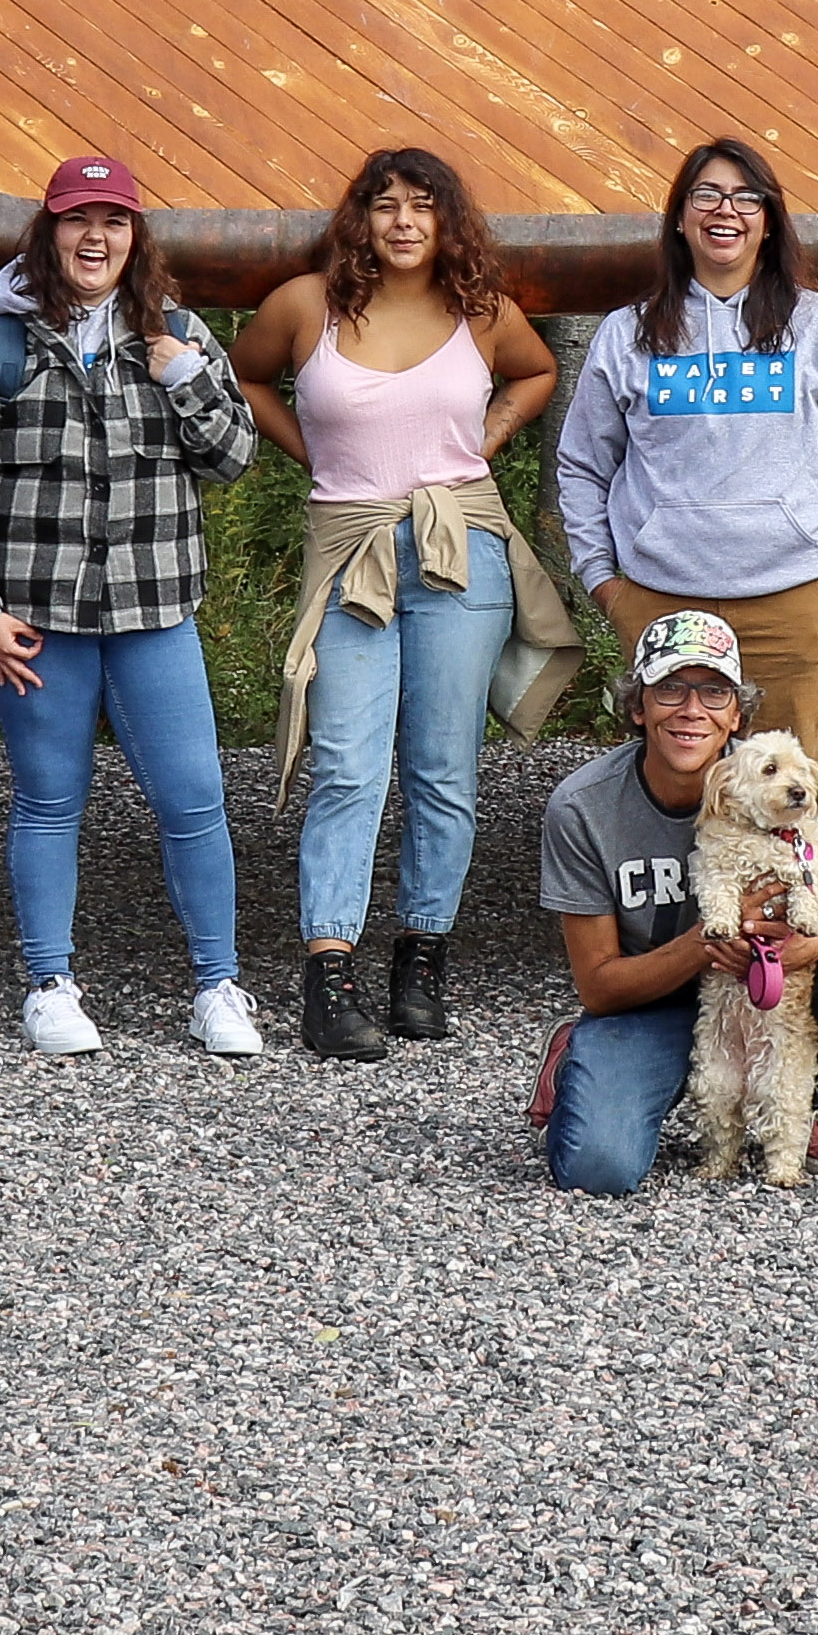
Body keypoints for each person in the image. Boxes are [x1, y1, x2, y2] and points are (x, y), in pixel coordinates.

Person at [234, 145, 568, 1063]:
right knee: (346, 763)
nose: (406, 221)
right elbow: (246, 374)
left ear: (447, 219)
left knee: (442, 768)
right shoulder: (308, 305)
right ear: (361, 220)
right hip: (352, 549)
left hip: (462, 549)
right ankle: (329, 972)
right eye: (386, 206)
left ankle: (421, 959)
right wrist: (320, 461)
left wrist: (489, 438)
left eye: (424, 205)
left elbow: (535, 374)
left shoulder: (482, 312)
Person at [0, 157, 259, 1058]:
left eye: (114, 221)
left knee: (195, 800)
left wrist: (186, 377)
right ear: (50, 232)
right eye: (79, 220)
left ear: (135, 238)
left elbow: (233, 458)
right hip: (37, 621)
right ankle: (50, 983)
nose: (96, 238)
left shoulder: (180, 335)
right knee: (47, 802)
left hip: (155, 614)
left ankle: (219, 984)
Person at [536, 612, 818, 1193]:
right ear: (638, 706)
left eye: (714, 691)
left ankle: (796, 1105)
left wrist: (811, 945)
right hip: (645, 1004)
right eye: (670, 688)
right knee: (598, 1169)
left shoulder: (772, 777)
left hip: (766, 993)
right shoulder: (583, 809)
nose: (691, 709)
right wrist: (707, 944)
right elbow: (599, 986)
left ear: (736, 714)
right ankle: (577, 1063)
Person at [547, 135, 818, 749]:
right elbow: (582, 465)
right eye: (706, 195)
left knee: (780, 801)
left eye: (746, 197)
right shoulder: (626, 334)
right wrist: (604, 579)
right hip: (660, 597)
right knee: (672, 790)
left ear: (769, 221)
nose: (725, 211)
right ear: (680, 218)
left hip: (791, 602)